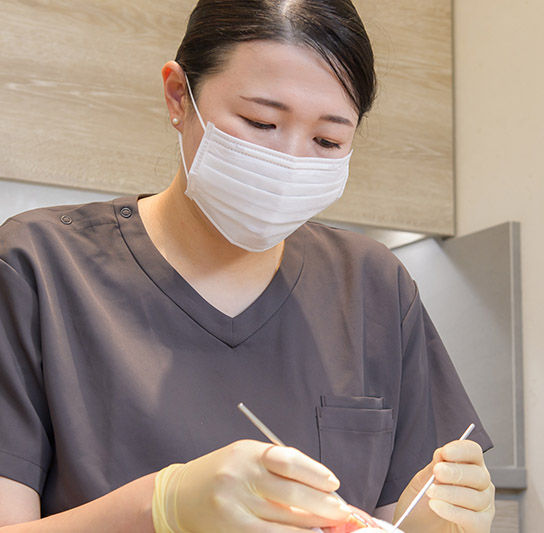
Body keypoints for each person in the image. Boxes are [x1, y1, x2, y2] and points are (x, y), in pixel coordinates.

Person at [0, 1, 495, 531]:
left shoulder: (372, 286)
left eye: (327, 140)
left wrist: (427, 522)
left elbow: (386, 515)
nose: (290, 160)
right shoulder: (38, 267)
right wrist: (159, 507)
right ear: (178, 96)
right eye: (262, 122)